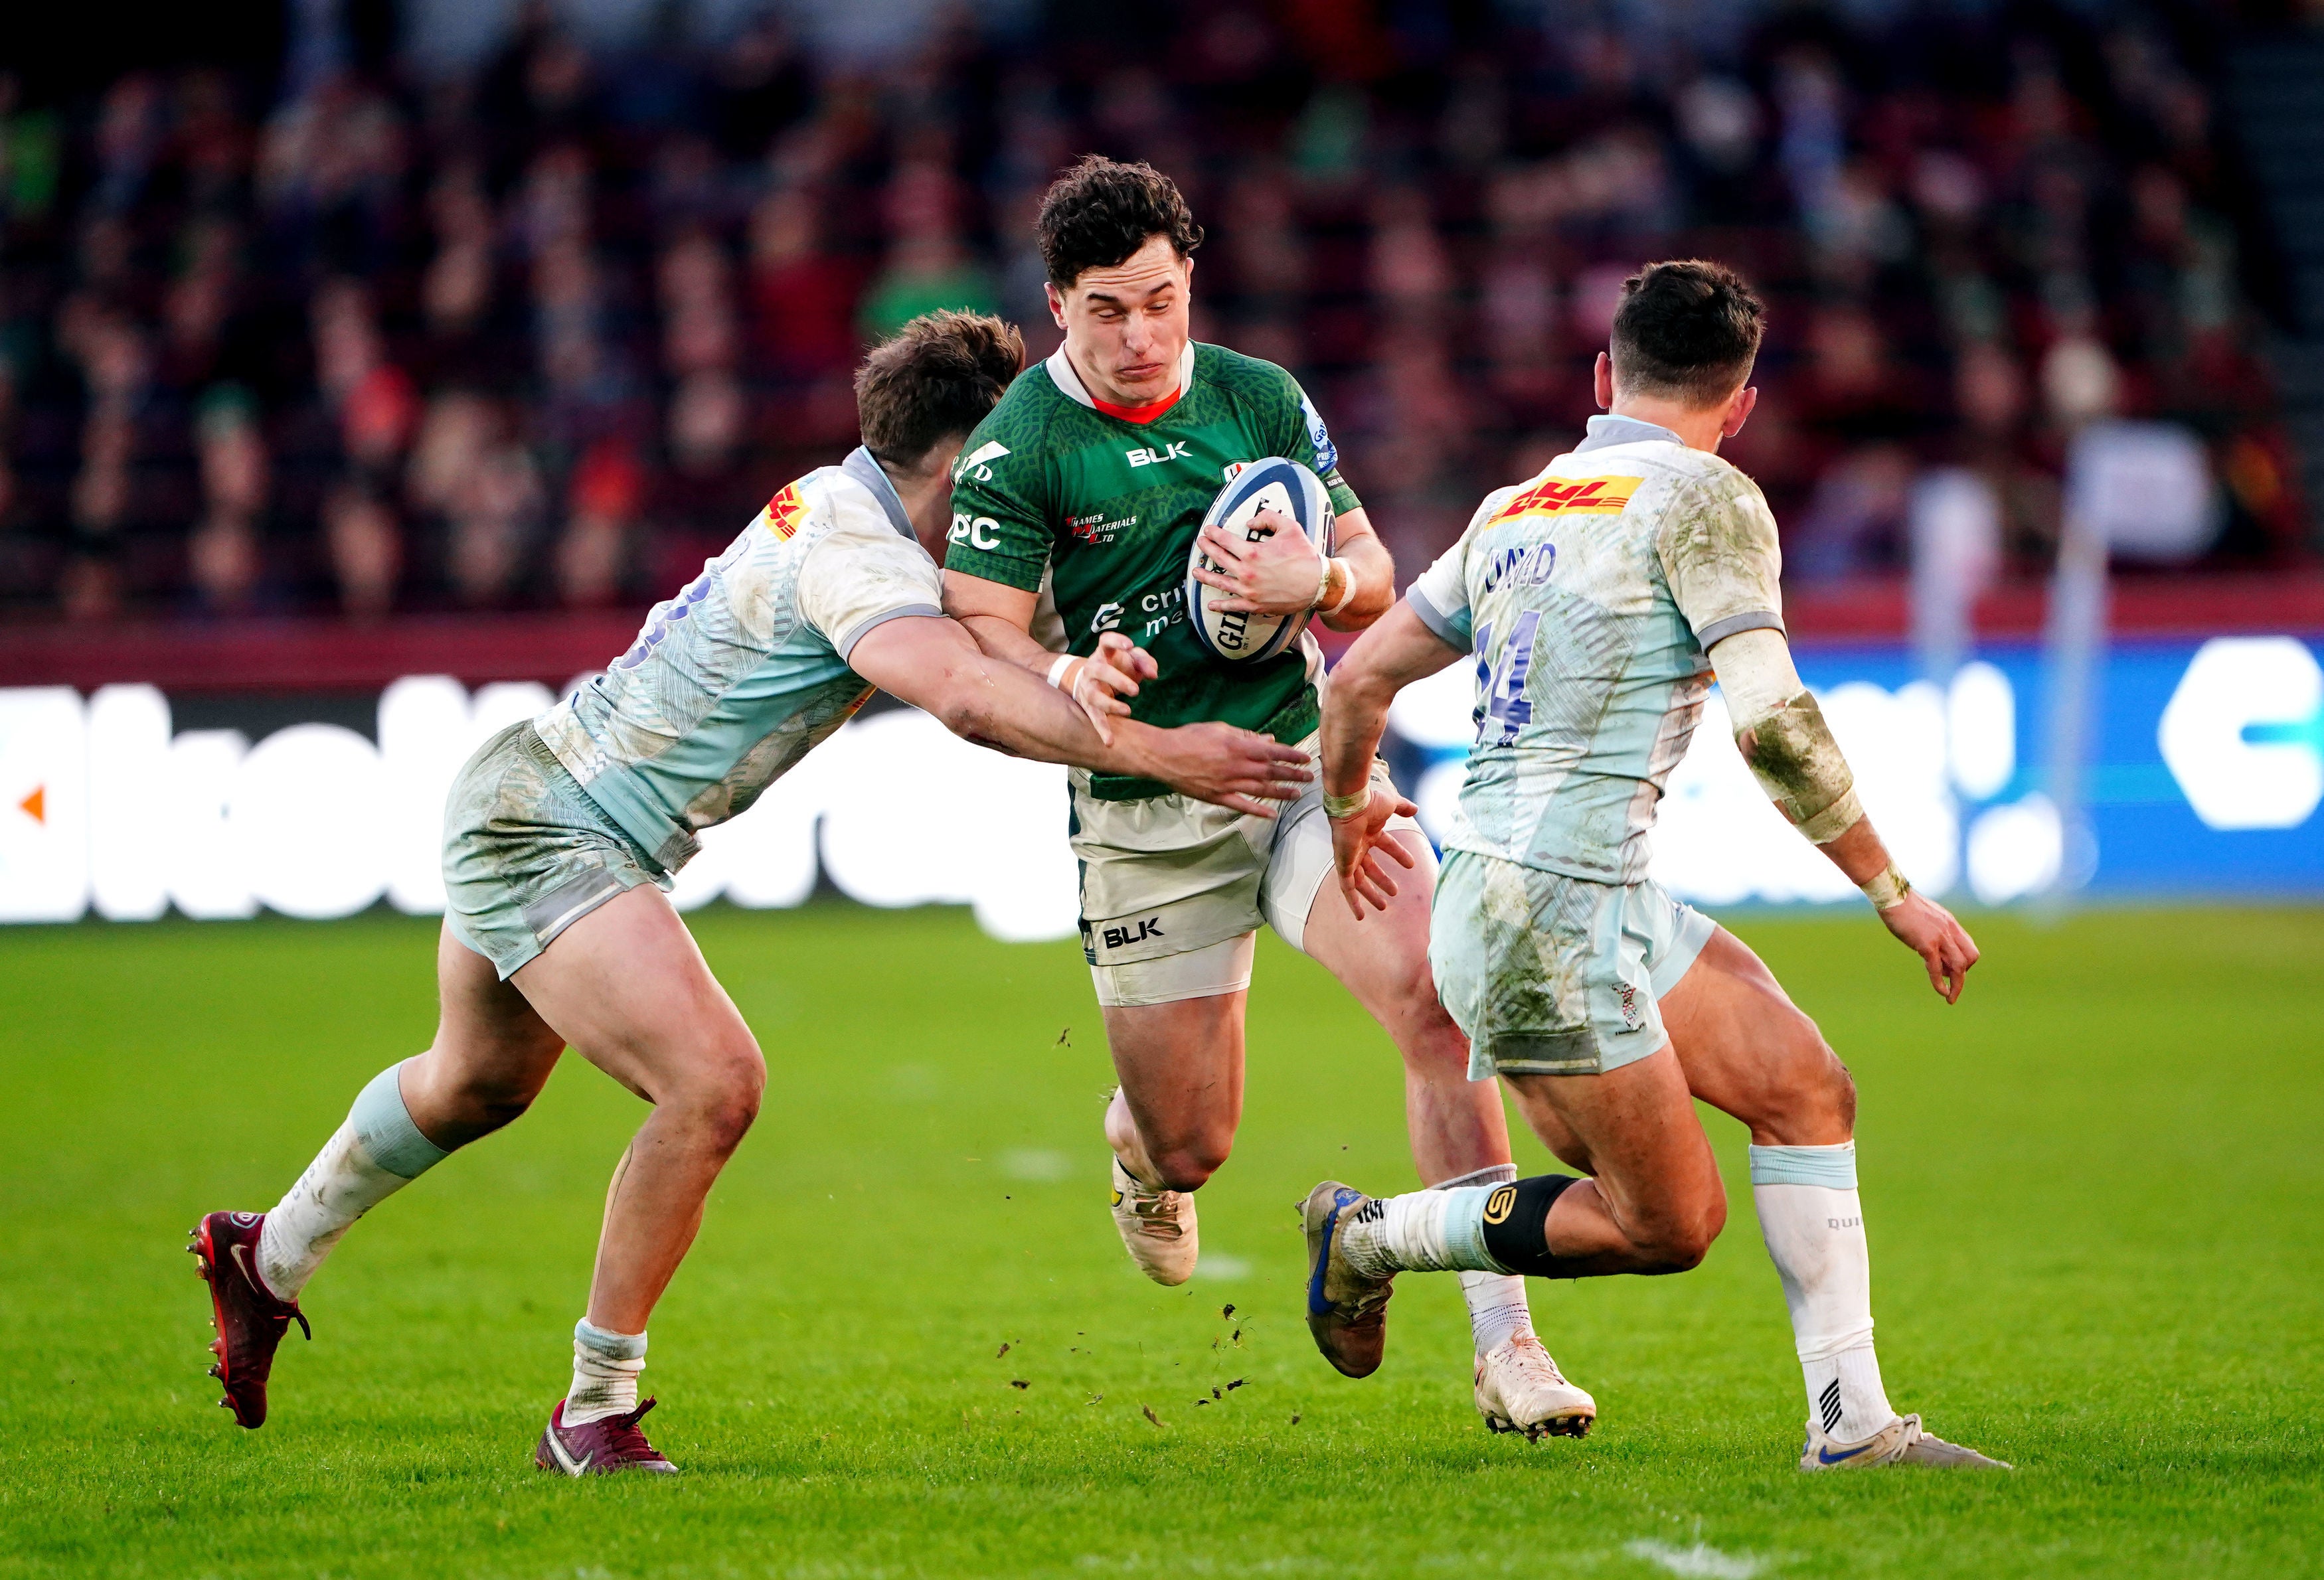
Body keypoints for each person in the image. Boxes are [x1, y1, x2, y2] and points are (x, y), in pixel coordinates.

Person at [189, 311, 1311, 1476]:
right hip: (556, 823)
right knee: (714, 1083)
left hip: (535, 789)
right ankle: (593, 1412)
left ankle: (264, 1257)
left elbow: (1020, 638)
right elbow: (969, 694)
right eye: (1010, 454)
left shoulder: (878, 522)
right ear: (961, 458)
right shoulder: (851, 546)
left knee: (470, 1087)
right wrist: (1160, 752)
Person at [1300, 260, 2010, 1471]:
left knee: (1805, 1086)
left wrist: (1350, 802)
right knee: (1667, 1224)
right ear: (1741, 405)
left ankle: (1853, 1426)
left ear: (1602, 377)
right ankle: (1370, 1238)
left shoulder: (1513, 507)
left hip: (1557, 895)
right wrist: (1894, 891)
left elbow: (1359, 676)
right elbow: (1774, 722)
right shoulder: (1710, 500)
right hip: (1552, 923)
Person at [940, 156, 1590, 1439]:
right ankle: (1139, 1157)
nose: (1141, 335)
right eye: (1108, 310)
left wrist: (1325, 590)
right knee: (1193, 1143)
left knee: (1438, 994)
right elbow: (977, 631)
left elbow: (1366, 562)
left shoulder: (1258, 396)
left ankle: (1507, 1345)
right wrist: (1067, 669)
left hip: (1304, 769)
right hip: (1143, 814)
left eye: (1162, 301)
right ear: (1058, 304)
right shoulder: (1021, 442)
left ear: (1192, 284)